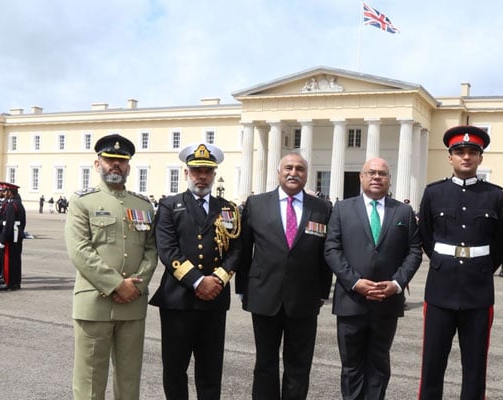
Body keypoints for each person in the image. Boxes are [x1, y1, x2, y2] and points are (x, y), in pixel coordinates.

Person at [417, 125, 503, 399]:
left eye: (472, 152)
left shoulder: (494, 195)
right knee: (432, 363)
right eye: (459, 152)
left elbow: (500, 243)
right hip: (440, 290)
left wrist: (478, 268)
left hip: (478, 292)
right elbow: (426, 238)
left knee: (475, 366)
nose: (465, 157)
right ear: (450, 157)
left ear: (480, 158)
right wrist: (446, 263)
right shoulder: (433, 193)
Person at [64, 134, 158, 399]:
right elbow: (79, 250)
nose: (115, 164)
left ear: (128, 166)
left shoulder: (143, 205)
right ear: (98, 164)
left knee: (129, 381)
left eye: (121, 160)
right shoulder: (83, 201)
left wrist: (136, 286)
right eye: (109, 159)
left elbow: (151, 249)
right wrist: (117, 285)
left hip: (132, 305)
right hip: (94, 304)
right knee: (90, 382)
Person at [324, 157, 422, 400]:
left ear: (389, 179)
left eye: (382, 173)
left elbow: (414, 251)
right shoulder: (342, 209)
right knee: (351, 366)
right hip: (351, 301)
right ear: (361, 177)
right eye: (371, 172)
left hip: (386, 302)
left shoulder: (403, 211)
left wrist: (397, 283)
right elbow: (332, 249)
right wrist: (355, 282)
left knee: (379, 364)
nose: (377, 177)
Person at [237, 152, 332, 400]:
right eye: (288, 168)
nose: (293, 173)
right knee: (265, 364)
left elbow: (325, 255)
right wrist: (242, 289)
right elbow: (245, 249)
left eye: (300, 169)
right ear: (278, 172)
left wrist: (322, 293)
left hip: (304, 299)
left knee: (299, 366)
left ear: (306, 175)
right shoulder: (256, 204)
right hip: (264, 295)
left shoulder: (321, 208)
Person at [150, 143, 241, 400]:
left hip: (214, 301)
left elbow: (236, 249)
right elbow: (167, 249)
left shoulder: (228, 208)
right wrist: (198, 281)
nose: (202, 176)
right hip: (178, 300)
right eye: (196, 170)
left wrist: (218, 280)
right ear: (186, 173)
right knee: (175, 368)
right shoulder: (170, 205)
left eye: (207, 171)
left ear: (214, 174)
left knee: (211, 370)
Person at [0, 182, 27, 291]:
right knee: (16, 260)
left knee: (9, 261)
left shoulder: (11, 205)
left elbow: (8, 224)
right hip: (17, 235)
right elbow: (23, 222)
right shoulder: (18, 204)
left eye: (6, 191)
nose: (4, 193)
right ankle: (16, 282)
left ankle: (9, 283)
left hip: (11, 236)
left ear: (10, 192)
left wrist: (3, 240)